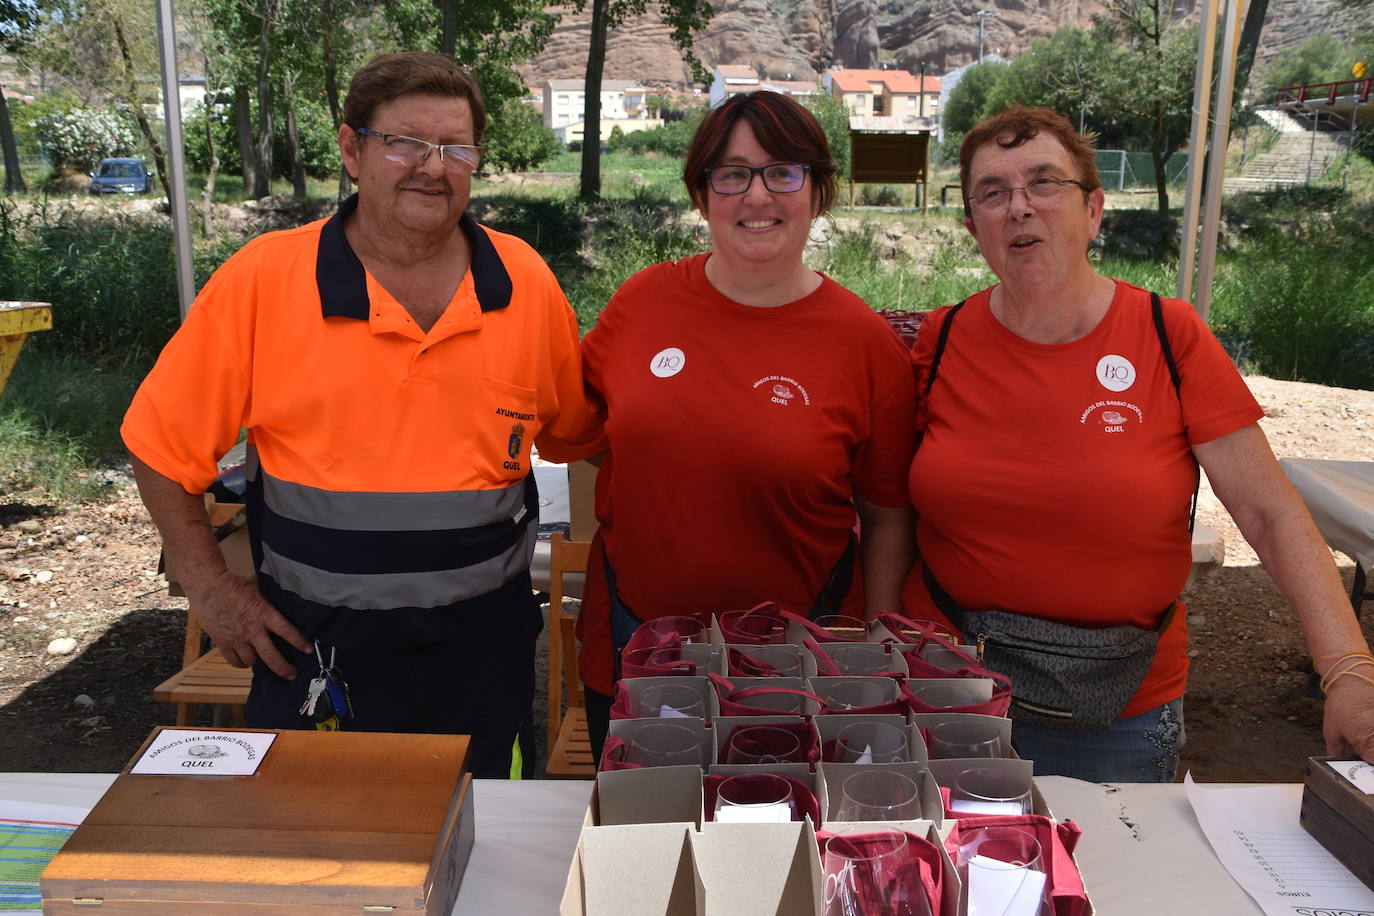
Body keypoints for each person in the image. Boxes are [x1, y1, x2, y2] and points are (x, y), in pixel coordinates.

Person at [121, 52, 600, 778]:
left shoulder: (525, 284)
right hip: (313, 653)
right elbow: (159, 448)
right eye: (405, 142)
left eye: (456, 148)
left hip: (483, 658)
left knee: (480, 854)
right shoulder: (263, 282)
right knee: (314, 858)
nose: (432, 168)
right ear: (351, 149)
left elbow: (581, 435)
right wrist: (212, 590)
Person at [909, 105, 1374, 781]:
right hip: (948, 690)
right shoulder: (940, 339)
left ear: (1094, 210)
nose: (1019, 208)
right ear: (973, 223)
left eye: (1044, 183)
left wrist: (1347, 669)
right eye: (993, 193)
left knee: (1111, 885)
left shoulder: (1169, 334)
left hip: (1117, 710)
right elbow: (889, 503)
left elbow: (1270, 515)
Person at [569, 91, 918, 759]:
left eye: (783, 171)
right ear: (703, 196)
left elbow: (886, 514)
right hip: (635, 645)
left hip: (793, 666)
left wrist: (870, 646)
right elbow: (584, 436)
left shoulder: (864, 344)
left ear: (817, 192)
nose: (757, 196)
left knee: (776, 849)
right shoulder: (641, 304)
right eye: (731, 174)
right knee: (643, 846)